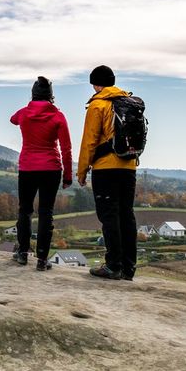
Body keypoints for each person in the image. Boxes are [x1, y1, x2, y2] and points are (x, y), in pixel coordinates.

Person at [77, 65, 137, 280]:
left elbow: (89, 141)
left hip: (105, 169)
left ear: (96, 84)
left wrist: (82, 171)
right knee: (126, 215)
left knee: (109, 216)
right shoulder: (128, 103)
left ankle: (113, 265)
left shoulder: (98, 106)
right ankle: (129, 268)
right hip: (129, 167)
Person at [10, 76, 72, 270]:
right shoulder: (58, 116)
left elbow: (13, 119)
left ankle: (22, 253)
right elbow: (67, 149)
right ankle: (42, 260)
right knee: (46, 213)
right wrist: (68, 176)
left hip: (27, 168)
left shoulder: (24, 114)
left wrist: (29, 110)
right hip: (51, 169)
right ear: (51, 96)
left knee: (25, 210)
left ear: (33, 94)